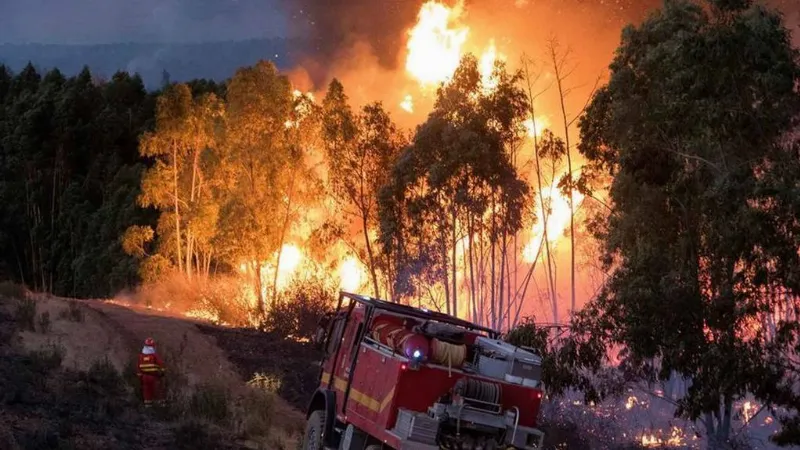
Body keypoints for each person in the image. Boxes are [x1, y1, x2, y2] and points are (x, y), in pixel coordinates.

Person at [137, 337, 165, 407]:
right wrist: (162, 372)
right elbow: (161, 364)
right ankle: (161, 405)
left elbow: (138, 367)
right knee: (157, 389)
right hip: (153, 376)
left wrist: (140, 377)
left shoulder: (141, 356)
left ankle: (148, 405)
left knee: (146, 391)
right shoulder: (154, 356)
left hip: (144, 376)